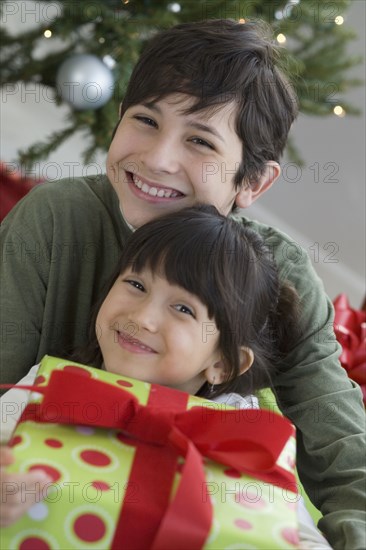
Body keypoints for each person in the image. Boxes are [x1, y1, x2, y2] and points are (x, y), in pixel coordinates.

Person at [0, 19, 364, 550]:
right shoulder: (55, 221)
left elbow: (344, 451)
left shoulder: (278, 272)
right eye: (145, 120)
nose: (157, 158)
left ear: (254, 182)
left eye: (199, 140)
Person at [1, 205, 331, 549]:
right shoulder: (50, 386)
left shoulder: (246, 436)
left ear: (223, 364)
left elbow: (303, 537)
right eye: (135, 284)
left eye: (183, 308)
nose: (143, 317)